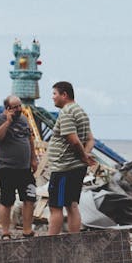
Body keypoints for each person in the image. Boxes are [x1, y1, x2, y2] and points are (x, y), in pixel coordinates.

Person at [46, 81, 96, 235]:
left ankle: (50, 242)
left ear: (64, 95)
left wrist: (83, 156)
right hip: (77, 168)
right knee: (72, 205)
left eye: (55, 93)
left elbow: (73, 139)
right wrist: (85, 156)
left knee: (55, 207)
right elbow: (90, 140)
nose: (52, 97)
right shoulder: (81, 111)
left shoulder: (67, 112)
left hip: (63, 168)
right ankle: (74, 241)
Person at [0, 95, 37, 239]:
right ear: (7, 108)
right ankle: (5, 232)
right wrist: (8, 123)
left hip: (24, 168)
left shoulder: (23, 119)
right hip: (6, 168)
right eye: (15, 107)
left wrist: (33, 158)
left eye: (19, 106)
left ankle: (27, 230)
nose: (19, 109)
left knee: (29, 198)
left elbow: (30, 139)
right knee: (7, 201)